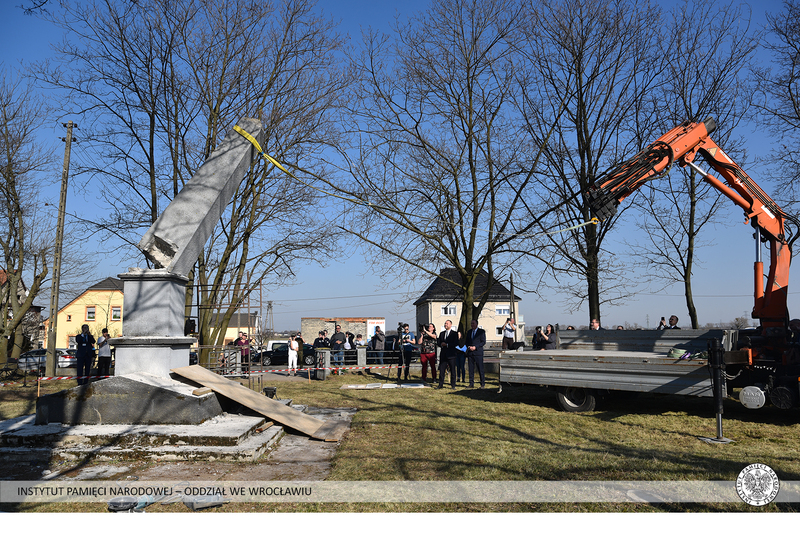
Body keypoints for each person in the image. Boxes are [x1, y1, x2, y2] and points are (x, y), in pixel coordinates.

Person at [437, 320, 459, 390]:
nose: (445, 324)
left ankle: (453, 385)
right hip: (443, 354)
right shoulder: (442, 333)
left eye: (447, 323)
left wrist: (447, 344)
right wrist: (441, 344)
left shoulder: (454, 334)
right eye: (445, 323)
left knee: (452, 370)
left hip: (451, 355)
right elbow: (438, 342)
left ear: (451, 325)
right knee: (442, 370)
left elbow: (456, 343)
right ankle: (440, 385)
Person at [466, 319, 486, 389]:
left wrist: (475, 347)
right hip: (470, 353)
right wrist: (469, 347)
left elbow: (483, 342)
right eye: (471, 324)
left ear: (476, 324)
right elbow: (467, 342)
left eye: (473, 323)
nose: (472, 325)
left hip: (478, 353)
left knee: (480, 369)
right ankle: (471, 384)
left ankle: (482, 383)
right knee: (471, 369)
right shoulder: (469, 332)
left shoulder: (481, 332)